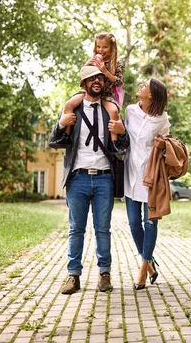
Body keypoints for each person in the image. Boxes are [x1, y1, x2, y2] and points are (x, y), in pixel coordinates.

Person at [49, 65, 129, 295]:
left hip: (104, 179)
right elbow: (55, 142)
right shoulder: (73, 109)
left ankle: (105, 274)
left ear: (104, 84)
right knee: (76, 229)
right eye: (92, 78)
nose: (97, 81)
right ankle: (73, 276)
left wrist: (122, 131)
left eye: (100, 78)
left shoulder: (109, 110)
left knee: (103, 229)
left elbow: (121, 148)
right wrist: (60, 125)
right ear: (83, 83)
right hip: (78, 179)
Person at [123, 78, 170, 290]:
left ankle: (143, 270)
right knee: (134, 223)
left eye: (146, 85)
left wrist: (162, 146)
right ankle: (149, 262)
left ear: (152, 95)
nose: (141, 85)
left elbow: (168, 149)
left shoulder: (162, 120)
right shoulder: (131, 111)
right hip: (130, 174)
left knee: (150, 222)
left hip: (150, 177)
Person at [54, 32, 126, 155]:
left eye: (104, 47)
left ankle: (114, 143)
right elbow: (83, 79)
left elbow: (119, 82)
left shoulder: (118, 62)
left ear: (112, 47)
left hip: (107, 94)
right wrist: (86, 65)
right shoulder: (94, 59)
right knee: (69, 104)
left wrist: (105, 71)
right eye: (98, 47)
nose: (101, 50)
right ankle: (65, 135)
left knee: (113, 111)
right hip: (91, 91)